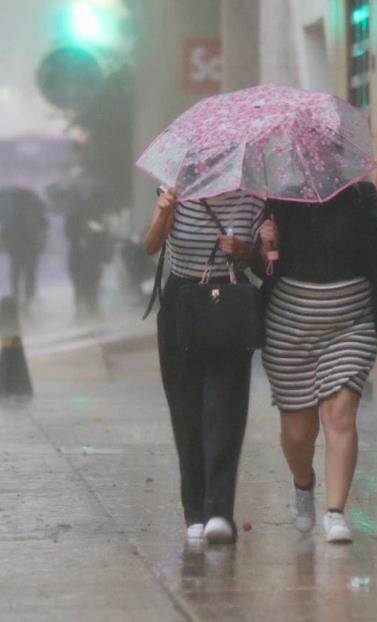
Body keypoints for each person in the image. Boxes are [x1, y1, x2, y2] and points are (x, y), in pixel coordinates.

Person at [259, 159, 377, 543]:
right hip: (289, 329)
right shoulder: (281, 200)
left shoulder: (359, 197)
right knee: (297, 431)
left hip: (350, 324)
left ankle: (336, 512)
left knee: (339, 415)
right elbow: (265, 269)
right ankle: (303, 484)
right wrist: (267, 246)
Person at [144, 187, 265, 544]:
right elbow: (151, 246)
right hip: (183, 305)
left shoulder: (252, 199)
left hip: (230, 303)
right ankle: (194, 511)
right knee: (187, 412)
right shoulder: (174, 194)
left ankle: (219, 512)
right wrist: (164, 211)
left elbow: (266, 261)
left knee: (226, 409)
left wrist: (246, 250)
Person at [0, 207, 48, 311]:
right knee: (21, 275)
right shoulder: (14, 219)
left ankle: (25, 300)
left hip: (26, 251)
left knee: (24, 275)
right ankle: (22, 299)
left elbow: (43, 229)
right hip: (20, 251)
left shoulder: (30, 218)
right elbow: (4, 234)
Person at [65, 208, 114, 317]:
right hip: (82, 262)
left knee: (89, 287)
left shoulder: (90, 220)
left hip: (89, 262)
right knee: (82, 287)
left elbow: (102, 235)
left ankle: (90, 309)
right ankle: (85, 310)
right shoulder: (77, 221)